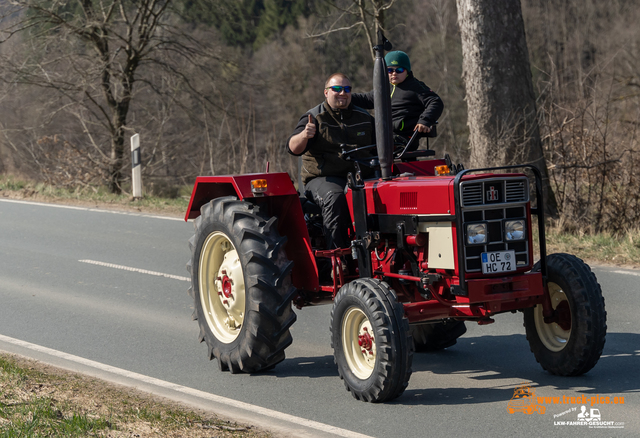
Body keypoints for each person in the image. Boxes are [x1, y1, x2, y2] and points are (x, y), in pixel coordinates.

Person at [287, 73, 375, 250]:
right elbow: (292, 148)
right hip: (323, 178)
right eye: (337, 89)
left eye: (347, 89)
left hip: (360, 177)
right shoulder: (314, 117)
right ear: (326, 92)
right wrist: (305, 135)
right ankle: (338, 256)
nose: (342, 93)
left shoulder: (364, 118)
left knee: (383, 193)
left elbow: (381, 147)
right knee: (335, 198)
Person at [351, 50, 444, 149]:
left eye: (399, 70)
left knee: (375, 146)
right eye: (390, 70)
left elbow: (435, 102)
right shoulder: (383, 88)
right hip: (383, 135)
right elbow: (364, 99)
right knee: (357, 142)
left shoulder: (416, 87)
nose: (394, 74)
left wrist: (425, 121)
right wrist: (344, 95)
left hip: (405, 138)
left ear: (407, 71)